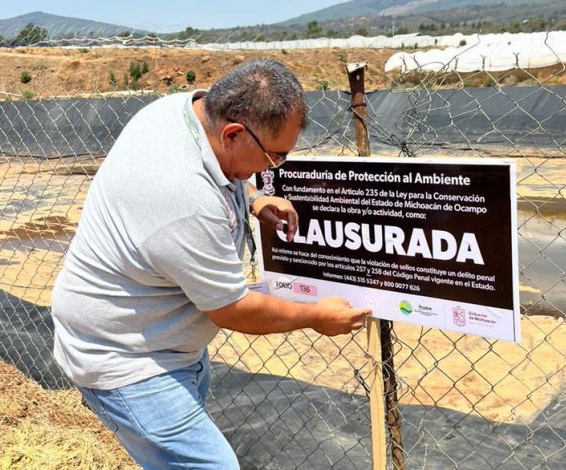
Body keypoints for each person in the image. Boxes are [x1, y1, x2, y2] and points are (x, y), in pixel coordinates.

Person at [50, 58, 370, 469]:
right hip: (126, 358)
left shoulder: (178, 111)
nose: (277, 167)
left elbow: (220, 166)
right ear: (234, 132)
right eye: (275, 157)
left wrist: (254, 197)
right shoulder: (182, 201)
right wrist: (315, 317)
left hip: (160, 337)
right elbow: (232, 308)